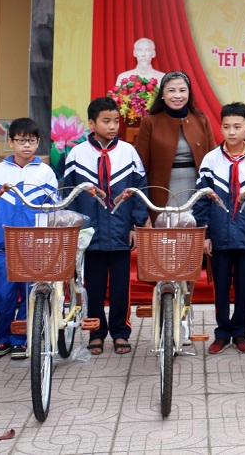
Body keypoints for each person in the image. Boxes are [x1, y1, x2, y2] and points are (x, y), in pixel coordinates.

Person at [63, 97, 149, 356]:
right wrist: (75, 228)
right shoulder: (77, 154)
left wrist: (135, 224)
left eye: (116, 121)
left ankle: (121, 332)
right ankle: (96, 333)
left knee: (122, 287)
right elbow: (68, 194)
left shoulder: (128, 152)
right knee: (94, 287)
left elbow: (139, 190)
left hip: (121, 230)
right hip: (90, 234)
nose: (113, 126)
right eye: (106, 121)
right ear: (92, 124)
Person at [194, 102, 245, 355]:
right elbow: (201, 200)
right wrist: (205, 234)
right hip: (219, 235)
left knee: (243, 287)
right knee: (220, 287)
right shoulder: (211, 160)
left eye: (237, 126)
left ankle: (240, 333)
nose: (232, 131)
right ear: (221, 128)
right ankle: (222, 333)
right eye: (227, 126)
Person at [0, 118, 58, 359]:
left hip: (36, 247)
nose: (27, 145)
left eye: (32, 141)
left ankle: (22, 339)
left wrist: (50, 243)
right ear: (11, 142)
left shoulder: (46, 173)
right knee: (3, 295)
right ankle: (2, 338)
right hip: (5, 248)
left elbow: (54, 211)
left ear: (38, 143)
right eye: (21, 140)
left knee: (31, 295)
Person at [135, 71, 217, 219]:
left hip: (196, 190)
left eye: (182, 90)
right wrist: (142, 212)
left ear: (189, 93)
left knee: (194, 228)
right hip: (161, 193)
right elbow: (140, 168)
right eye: (171, 90)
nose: (177, 95)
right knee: (167, 229)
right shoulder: (150, 122)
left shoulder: (202, 120)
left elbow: (213, 161)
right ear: (162, 94)